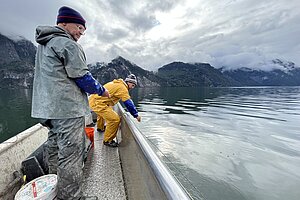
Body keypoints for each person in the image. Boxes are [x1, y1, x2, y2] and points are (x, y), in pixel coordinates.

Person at [31, 6, 109, 200]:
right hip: (67, 108)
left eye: (83, 30)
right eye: (79, 27)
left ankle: (56, 190)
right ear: (63, 22)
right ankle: (71, 197)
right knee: (71, 155)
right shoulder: (67, 44)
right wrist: (101, 90)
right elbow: (82, 76)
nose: (81, 33)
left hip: (48, 109)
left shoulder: (44, 44)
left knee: (55, 147)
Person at [89, 74, 142, 147]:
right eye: (132, 85)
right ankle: (108, 140)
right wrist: (136, 115)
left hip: (95, 100)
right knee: (115, 119)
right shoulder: (123, 88)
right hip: (98, 103)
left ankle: (100, 128)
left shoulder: (117, 83)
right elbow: (128, 103)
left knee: (102, 113)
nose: (132, 87)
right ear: (128, 82)